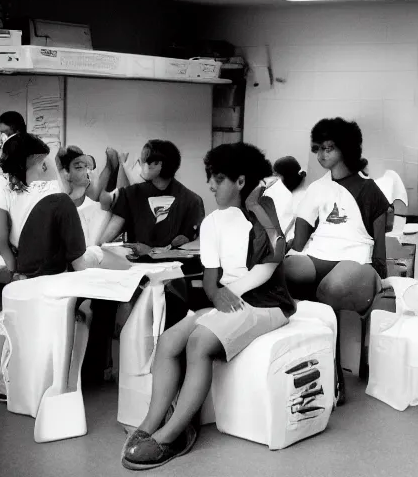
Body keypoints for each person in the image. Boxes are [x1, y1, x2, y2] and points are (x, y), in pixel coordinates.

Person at [121, 142, 294, 470]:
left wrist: (226, 299)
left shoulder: (263, 207)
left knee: (200, 341)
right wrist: (218, 298)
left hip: (269, 305)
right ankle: (149, 424)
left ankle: (169, 436)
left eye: (218, 178)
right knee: (170, 341)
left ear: (241, 182)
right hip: (238, 300)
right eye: (210, 177)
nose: (211, 185)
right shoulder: (219, 220)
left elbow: (270, 264)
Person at [284, 118, 390, 404]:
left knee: (330, 288)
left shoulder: (370, 190)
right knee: (280, 272)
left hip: (356, 257)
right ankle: (292, 365)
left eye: (329, 148)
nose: (322, 155)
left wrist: (382, 277)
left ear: (346, 149)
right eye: (318, 148)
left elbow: (378, 244)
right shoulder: (316, 189)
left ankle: (334, 375)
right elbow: (300, 240)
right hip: (319, 254)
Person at [99, 139, 205, 326]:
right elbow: (105, 239)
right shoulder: (130, 194)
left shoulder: (191, 201)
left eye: (143, 160)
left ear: (158, 164)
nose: (140, 165)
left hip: (171, 282)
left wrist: (152, 252)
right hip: (133, 278)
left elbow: (192, 250)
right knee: (126, 327)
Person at [0, 132, 93, 278]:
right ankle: (80, 268)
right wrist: (15, 271)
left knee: (95, 252)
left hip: (52, 254)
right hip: (31, 259)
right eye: (41, 163)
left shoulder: (36, 186)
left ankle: (78, 266)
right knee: (61, 201)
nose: (42, 169)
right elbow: (1, 241)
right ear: (28, 161)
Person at [57, 145, 112, 247]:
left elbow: (92, 248)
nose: (87, 172)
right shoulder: (52, 204)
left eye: (88, 168)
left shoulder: (97, 210)